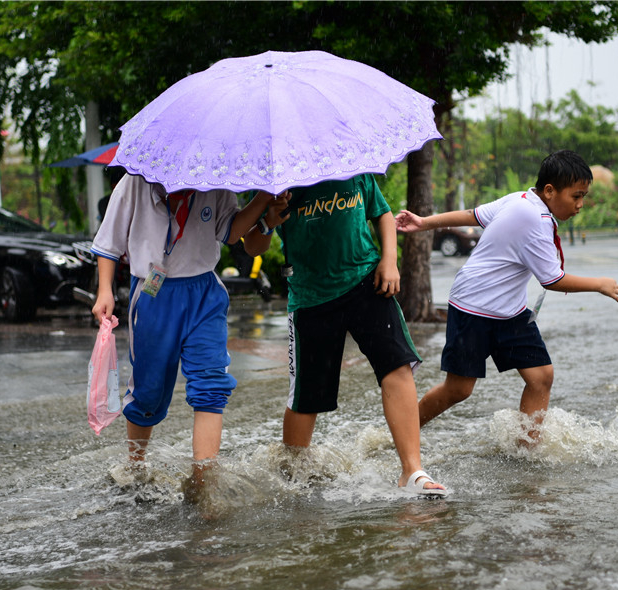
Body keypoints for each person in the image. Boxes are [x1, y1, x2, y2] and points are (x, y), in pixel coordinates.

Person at [395, 149, 618, 446]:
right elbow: (553, 280)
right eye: (576, 196)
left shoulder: (521, 198)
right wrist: (599, 284)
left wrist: (424, 223)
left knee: (541, 376)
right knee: (459, 390)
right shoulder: (533, 218)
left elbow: (472, 215)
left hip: (509, 310)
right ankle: (400, 432)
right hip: (473, 306)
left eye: (583, 197)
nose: (580, 205)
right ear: (550, 191)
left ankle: (527, 450)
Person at [246, 174, 447, 497]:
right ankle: (294, 478)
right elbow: (251, 245)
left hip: (368, 281)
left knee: (397, 365)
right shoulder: (278, 178)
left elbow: (380, 213)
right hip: (311, 298)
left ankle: (412, 471)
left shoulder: (352, 167)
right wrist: (270, 218)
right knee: (305, 398)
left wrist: (390, 260)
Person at [90, 174, 290, 495]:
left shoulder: (214, 177)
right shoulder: (135, 181)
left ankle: (204, 484)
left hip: (204, 293)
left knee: (211, 386)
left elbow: (231, 232)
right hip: (153, 295)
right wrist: (104, 291)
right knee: (148, 394)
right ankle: (136, 466)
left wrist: (264, 197)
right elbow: (107, 243)